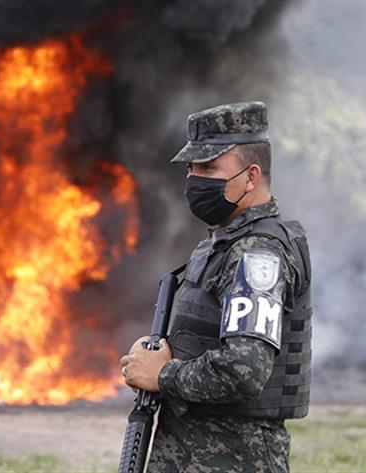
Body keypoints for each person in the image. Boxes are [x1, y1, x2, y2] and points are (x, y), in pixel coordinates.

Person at [119, 101, 314, 472]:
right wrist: (159, 354)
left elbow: (243, 370)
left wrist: (162, 375)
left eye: (209, 167)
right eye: (192, 168)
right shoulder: (222, 244)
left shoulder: (257, 254)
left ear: (251, 177)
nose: (195, 179)